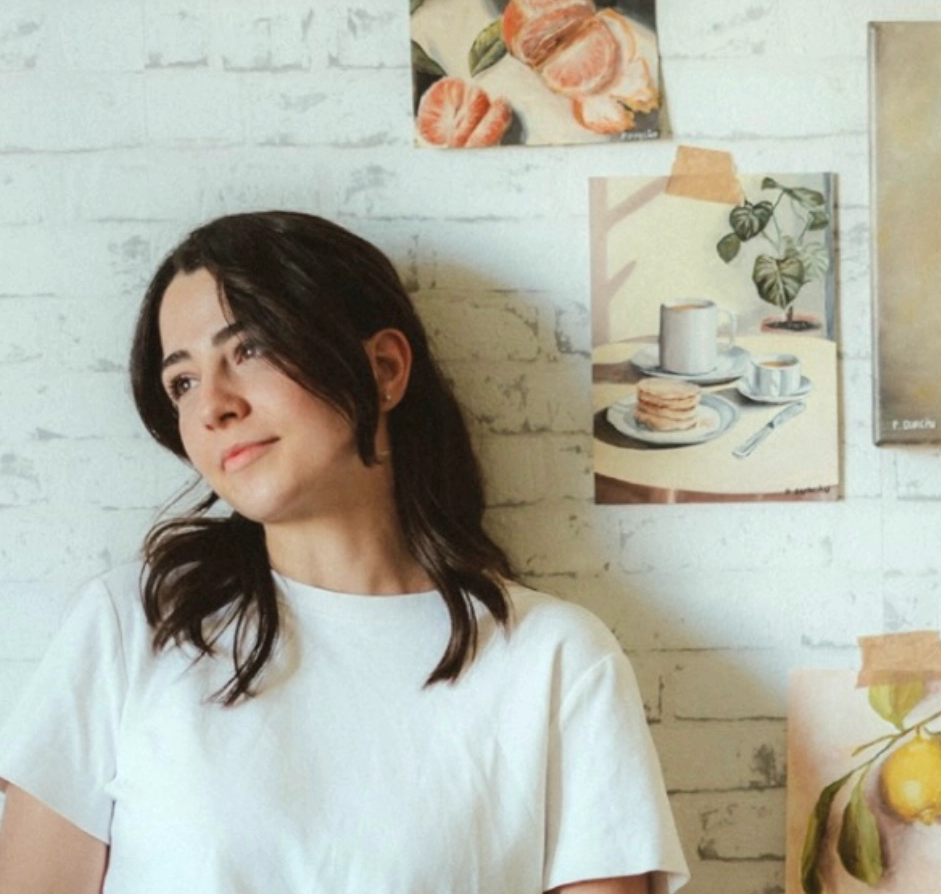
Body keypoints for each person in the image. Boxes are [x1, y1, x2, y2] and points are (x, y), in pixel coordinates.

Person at [0, 212, 689, 894]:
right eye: (182, 381)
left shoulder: (555, 661)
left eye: (249, 350)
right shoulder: (134, 625)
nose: (211, 404)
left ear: (385, 369)